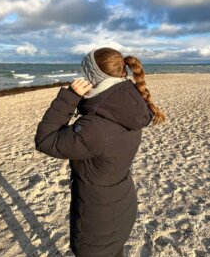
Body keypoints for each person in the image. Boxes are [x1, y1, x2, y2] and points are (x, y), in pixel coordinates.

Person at [34, 47, 166, 257]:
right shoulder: (131, 101)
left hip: (97, 219)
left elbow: (45, 140)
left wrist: (70, 97)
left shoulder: (95, 127)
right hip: (121, 203)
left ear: (93, 77)